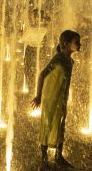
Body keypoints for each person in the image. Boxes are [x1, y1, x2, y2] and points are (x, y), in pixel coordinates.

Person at [31, 30, 81, 170]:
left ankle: (59, 157)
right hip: (51, 98)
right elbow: (42, 75)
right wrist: (38, 96)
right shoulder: (58, 58)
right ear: (66, 44)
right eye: (76, 42)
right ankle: (44, 160)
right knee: (48, 125)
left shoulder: (70, 61)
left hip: (61, 99)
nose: (79, 44)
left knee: (61, 125)